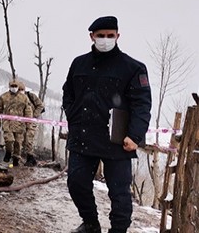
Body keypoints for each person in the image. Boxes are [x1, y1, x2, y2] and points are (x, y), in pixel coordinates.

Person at [62, 16, 151, 233]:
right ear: (92, 36)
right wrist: (73, 119)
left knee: (119, 195)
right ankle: (90, 223)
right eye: (101, 35)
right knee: (76, 182)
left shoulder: (133, 68)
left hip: (117, 141)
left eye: (110, 35)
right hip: (83, 136)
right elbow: (68, 94)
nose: (105, 39)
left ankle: (118, 230)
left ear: (118, 36)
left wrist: (135, 136)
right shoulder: (79, 63)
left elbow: (142, 104)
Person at [0, 79, 33, 166]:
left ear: (18, 87)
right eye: (12, 86)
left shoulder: (24, 98)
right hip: (7, 124)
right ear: (9, 86)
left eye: (15, 86)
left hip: (19, 125)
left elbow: (28, 111)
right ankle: (8, 153)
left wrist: (28, 123)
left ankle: (16, 159)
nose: (14, 88)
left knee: (18, 143)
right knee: (9, 140)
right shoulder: (4, 97)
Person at [20, 82, 45, 167]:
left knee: (28, 139)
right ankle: (29, 159)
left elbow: (40, 106)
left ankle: (30, 159)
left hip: (31, 122)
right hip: (22, 122)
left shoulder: (31, 96)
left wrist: (34, 115)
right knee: (22, 140)